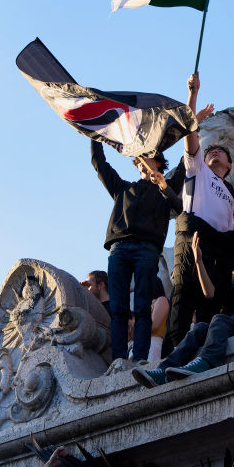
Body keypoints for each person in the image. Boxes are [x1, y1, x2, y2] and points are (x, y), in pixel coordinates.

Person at [134, 217, 234, 387]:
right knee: (200, 328)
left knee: (220, 320)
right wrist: (198, 262)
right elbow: (211, 293)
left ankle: (207, 362)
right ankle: (164, 370)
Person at [167, 71, 234, 352]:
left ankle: (201, 350)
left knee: (211, 301)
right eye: (210, 151)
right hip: (193, 237)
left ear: (229, 165)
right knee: (183, 295)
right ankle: (177, 349)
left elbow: (229, 228)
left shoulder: (230, 193)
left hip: (219, 247)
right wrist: (193, 94)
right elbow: (190, 131)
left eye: (221, 153)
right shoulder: (197, 170)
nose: (214, 153)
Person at [90, 140, 183, 362]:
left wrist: (192, 127)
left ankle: (140, 358)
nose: (141, 160)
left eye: (146, 155)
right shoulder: (123, 189)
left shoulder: (166, 186)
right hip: (119, 248)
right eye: (139, 158)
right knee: (118, 309)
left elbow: (186, 164)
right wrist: (96, 135)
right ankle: (119, 359)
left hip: (147, 249)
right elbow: (99, 163)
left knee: (142, 305)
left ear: (158, 162)